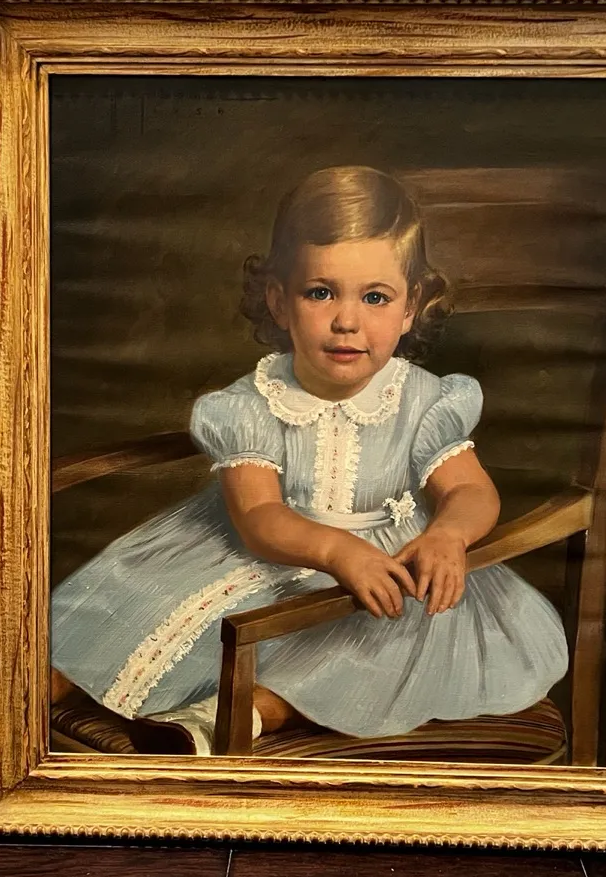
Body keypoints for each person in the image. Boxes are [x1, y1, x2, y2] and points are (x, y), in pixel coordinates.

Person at [51, 165, 568, 754]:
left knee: (382, 635)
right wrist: (336, 550)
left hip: (391, 566)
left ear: (411, 307)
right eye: (320, 292)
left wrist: (448, 534)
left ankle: (238, 713)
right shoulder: (252, 404)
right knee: (139, 597)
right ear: (279, 301)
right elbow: (259, 517)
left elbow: (469, 490)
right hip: (265, 554)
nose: (347, 320)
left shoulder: (425, 401)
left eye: (375, 297)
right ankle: (35, 691)